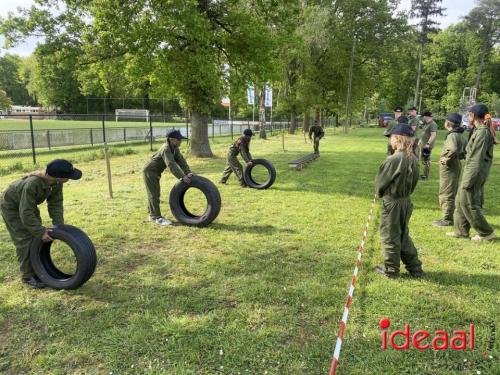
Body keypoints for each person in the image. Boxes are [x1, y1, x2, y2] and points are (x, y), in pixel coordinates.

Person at [0, 159, 82, 289]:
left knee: (36, 235)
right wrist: (40, 231)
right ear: (60, 177)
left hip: (27, 205)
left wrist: (59, 228)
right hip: (12, 207)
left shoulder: (56, 183)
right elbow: (25, 213)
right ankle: (28, 276)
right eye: (69, 177)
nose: (70, 179)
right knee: (25, 239)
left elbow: (56, 204)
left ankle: (39, 269)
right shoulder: (32, 184)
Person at [375, 124, 424, 279]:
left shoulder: (393, 160)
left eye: (390, 138)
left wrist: (380, 193)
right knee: (403, 236)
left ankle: (391, 270)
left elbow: (380, 185)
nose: (390, 141)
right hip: (405, 202)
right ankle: (415, 268)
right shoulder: (414, 159)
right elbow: (414, 183)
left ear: (397, 139)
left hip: (392, 204)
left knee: (390, 236)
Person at [447, 103, 496, 241]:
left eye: (468, 114)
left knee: (470, 203)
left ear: (473, 115)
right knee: (460, 200)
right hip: (472, 171)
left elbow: (476, 159)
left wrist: (468, 180)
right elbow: (470, 152)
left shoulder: (482, 132)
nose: (467, 116)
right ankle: (461, 231)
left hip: (474, 172)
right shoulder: (477, 130)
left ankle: (487, 233)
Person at [143, 129, 192, 226]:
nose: (181, 141)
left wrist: (188, 172)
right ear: (172, 140)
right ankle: (157, 218)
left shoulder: (174, 149)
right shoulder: (166, 149)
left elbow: (181, 161)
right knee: (154, 194)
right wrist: (182, 177)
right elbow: (171, 165)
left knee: (153, 193)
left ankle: (152, 214)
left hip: (155, 172)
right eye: (179, 139)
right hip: (150, 172)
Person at [433, 113, 466, 227]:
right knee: (452, 191)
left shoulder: (452, 135)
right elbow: (464, 151)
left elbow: (453, 149)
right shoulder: (460, 135)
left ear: (448, 123)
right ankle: (451, 216)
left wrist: (446, 159)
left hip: (449, 168)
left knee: (446, 193)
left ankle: (447, 219)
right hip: (456, 165)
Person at [419, 111, 438, 179]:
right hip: (423, 144)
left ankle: (426, 175)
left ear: (426, 117)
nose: (422, 118)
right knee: (424, 159)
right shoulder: (426, 124)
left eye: (423, 116)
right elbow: (424, 134)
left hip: (427, 146)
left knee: (426, 159)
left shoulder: (433, 124)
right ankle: (424, 174)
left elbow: (433, 135)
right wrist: (421, 141)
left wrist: (427, 144)